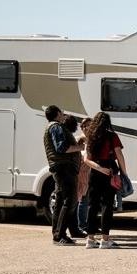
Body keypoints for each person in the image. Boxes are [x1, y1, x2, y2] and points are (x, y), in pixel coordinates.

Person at [82, 112, 127, 249]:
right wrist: (124, 173)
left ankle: (90, 239)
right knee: (107, 206)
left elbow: (86, 159)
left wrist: (99, 168)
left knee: (92, 205)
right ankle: (105, 240)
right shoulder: (112, 136)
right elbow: (119, 155)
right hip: (109, 172)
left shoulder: (90, 137)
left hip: (95, 173)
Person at [43, 105, 85, 245]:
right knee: (70, 200)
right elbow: (61, 147)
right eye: (61, 112)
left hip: (61, 168)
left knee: (61, 201)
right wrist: (80, 148)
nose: (63, 115)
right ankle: (60, 235)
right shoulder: (56, 127)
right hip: (64, 168)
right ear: (57, 114)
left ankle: (59, 233)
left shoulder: (52, 126)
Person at [75, 117, 93, 234]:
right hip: (80, 173)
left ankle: (85, 224)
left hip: (89, 174)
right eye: (84, 126)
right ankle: (81, 225)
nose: (86, 127)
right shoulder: (79, 140)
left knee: (86, 201)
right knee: (80, 200)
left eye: (89, 125)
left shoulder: (92, 140)